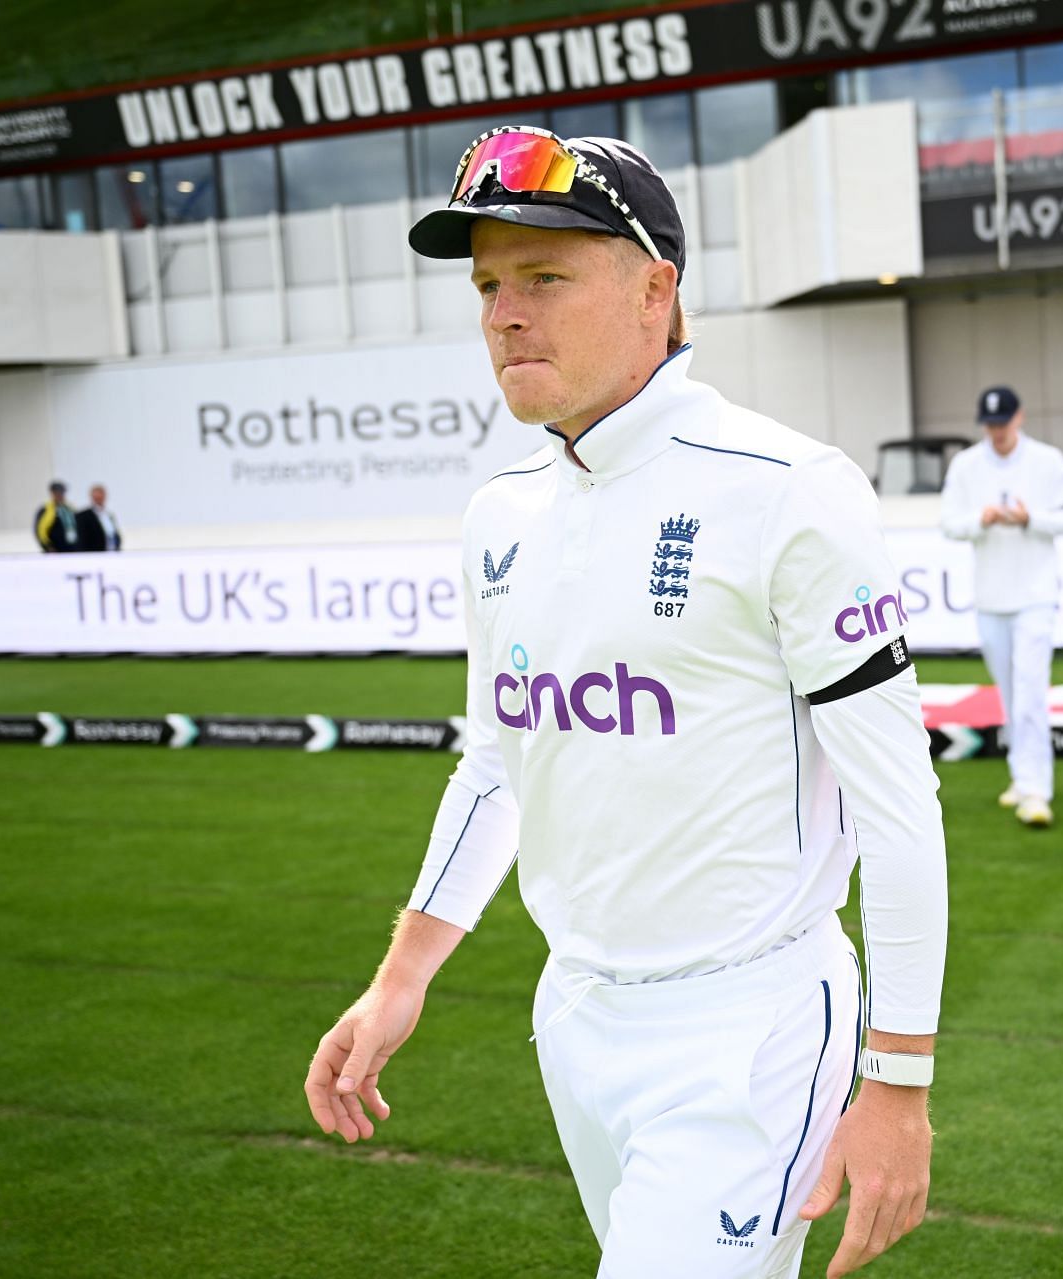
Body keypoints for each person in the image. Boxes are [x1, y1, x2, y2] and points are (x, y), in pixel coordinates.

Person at [303, 128, 948, 1279]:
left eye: (545, 276)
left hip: (749, 1031)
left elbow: (900, 808)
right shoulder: (499, 513)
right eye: (490, 284)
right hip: (575, 1019)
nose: (506, 313)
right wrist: (401, 974)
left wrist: (897, 1075)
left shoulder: (791, 491)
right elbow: (499, 762)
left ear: (657, 290)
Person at [938, 386, 1063, 827]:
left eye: (1003, 423)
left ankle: (1037, 789)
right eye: (990, 424)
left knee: (1031, 692)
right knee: (1010, 691)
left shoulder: (1048, 460)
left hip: (1036, 595)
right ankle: (1022, 776)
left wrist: (1029, 518)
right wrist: (980, 521)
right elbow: (949, 523)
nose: (997, 432)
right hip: (991, 597)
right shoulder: (966, 466)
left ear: (1019, 418)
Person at [74, 484, 123, 552]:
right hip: (95, 555)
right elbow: (81, 539)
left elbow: (114, 534)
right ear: (92, 498)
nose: (99, 499)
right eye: (97, 497)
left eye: (101, 496)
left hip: (111, 552)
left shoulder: (108, 515)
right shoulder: (83, 516)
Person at [32, 481, 78, 553]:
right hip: (53, 550)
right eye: (57, 493)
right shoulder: (45, 509)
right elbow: (39, 531)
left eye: (61, 493)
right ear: (52, 493)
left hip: (70, 549)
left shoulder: (69, 509)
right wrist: (47, 547)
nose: (59, 495)